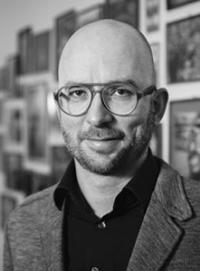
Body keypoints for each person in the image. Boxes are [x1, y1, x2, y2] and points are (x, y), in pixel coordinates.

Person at [3, 19, 200, 271]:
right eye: (77, 93)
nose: (97, 117)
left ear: (157, 106)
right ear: (59, 108)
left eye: (120, 91)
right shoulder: (22, 225)